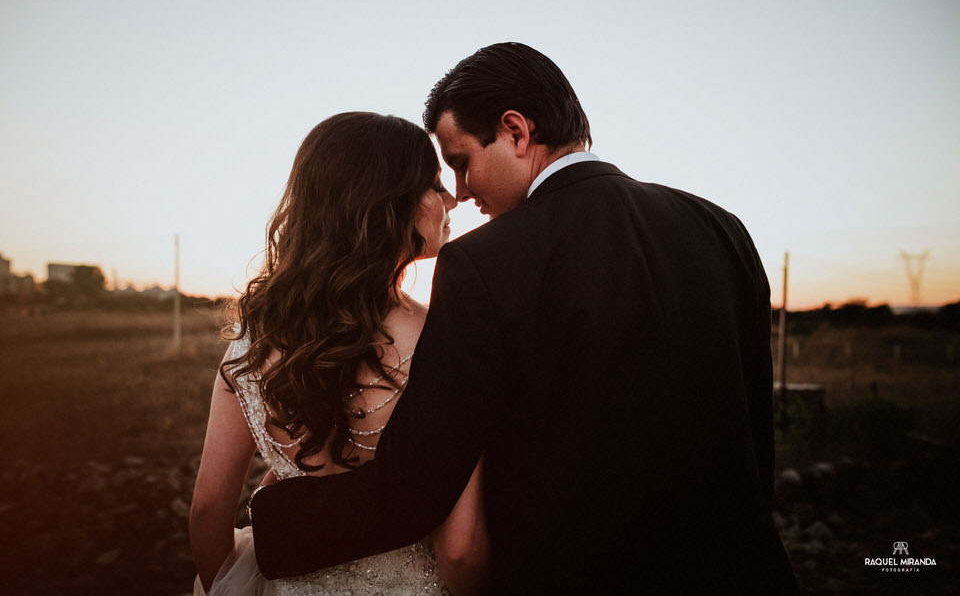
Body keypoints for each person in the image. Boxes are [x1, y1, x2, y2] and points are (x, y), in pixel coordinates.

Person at [250, 43, 798, 595]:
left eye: (462, 162)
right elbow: (754, 434)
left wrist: (270, 522)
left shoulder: (485, 264)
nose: (460, 191)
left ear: (515, 131)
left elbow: (412, 491)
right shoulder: (723, 230)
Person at [188, 112, 488, 595]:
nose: (452, 198)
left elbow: (207, 512)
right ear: (387, 204)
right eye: (434, 185)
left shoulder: (253, 340)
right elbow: (459, 551)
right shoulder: (441, 336)